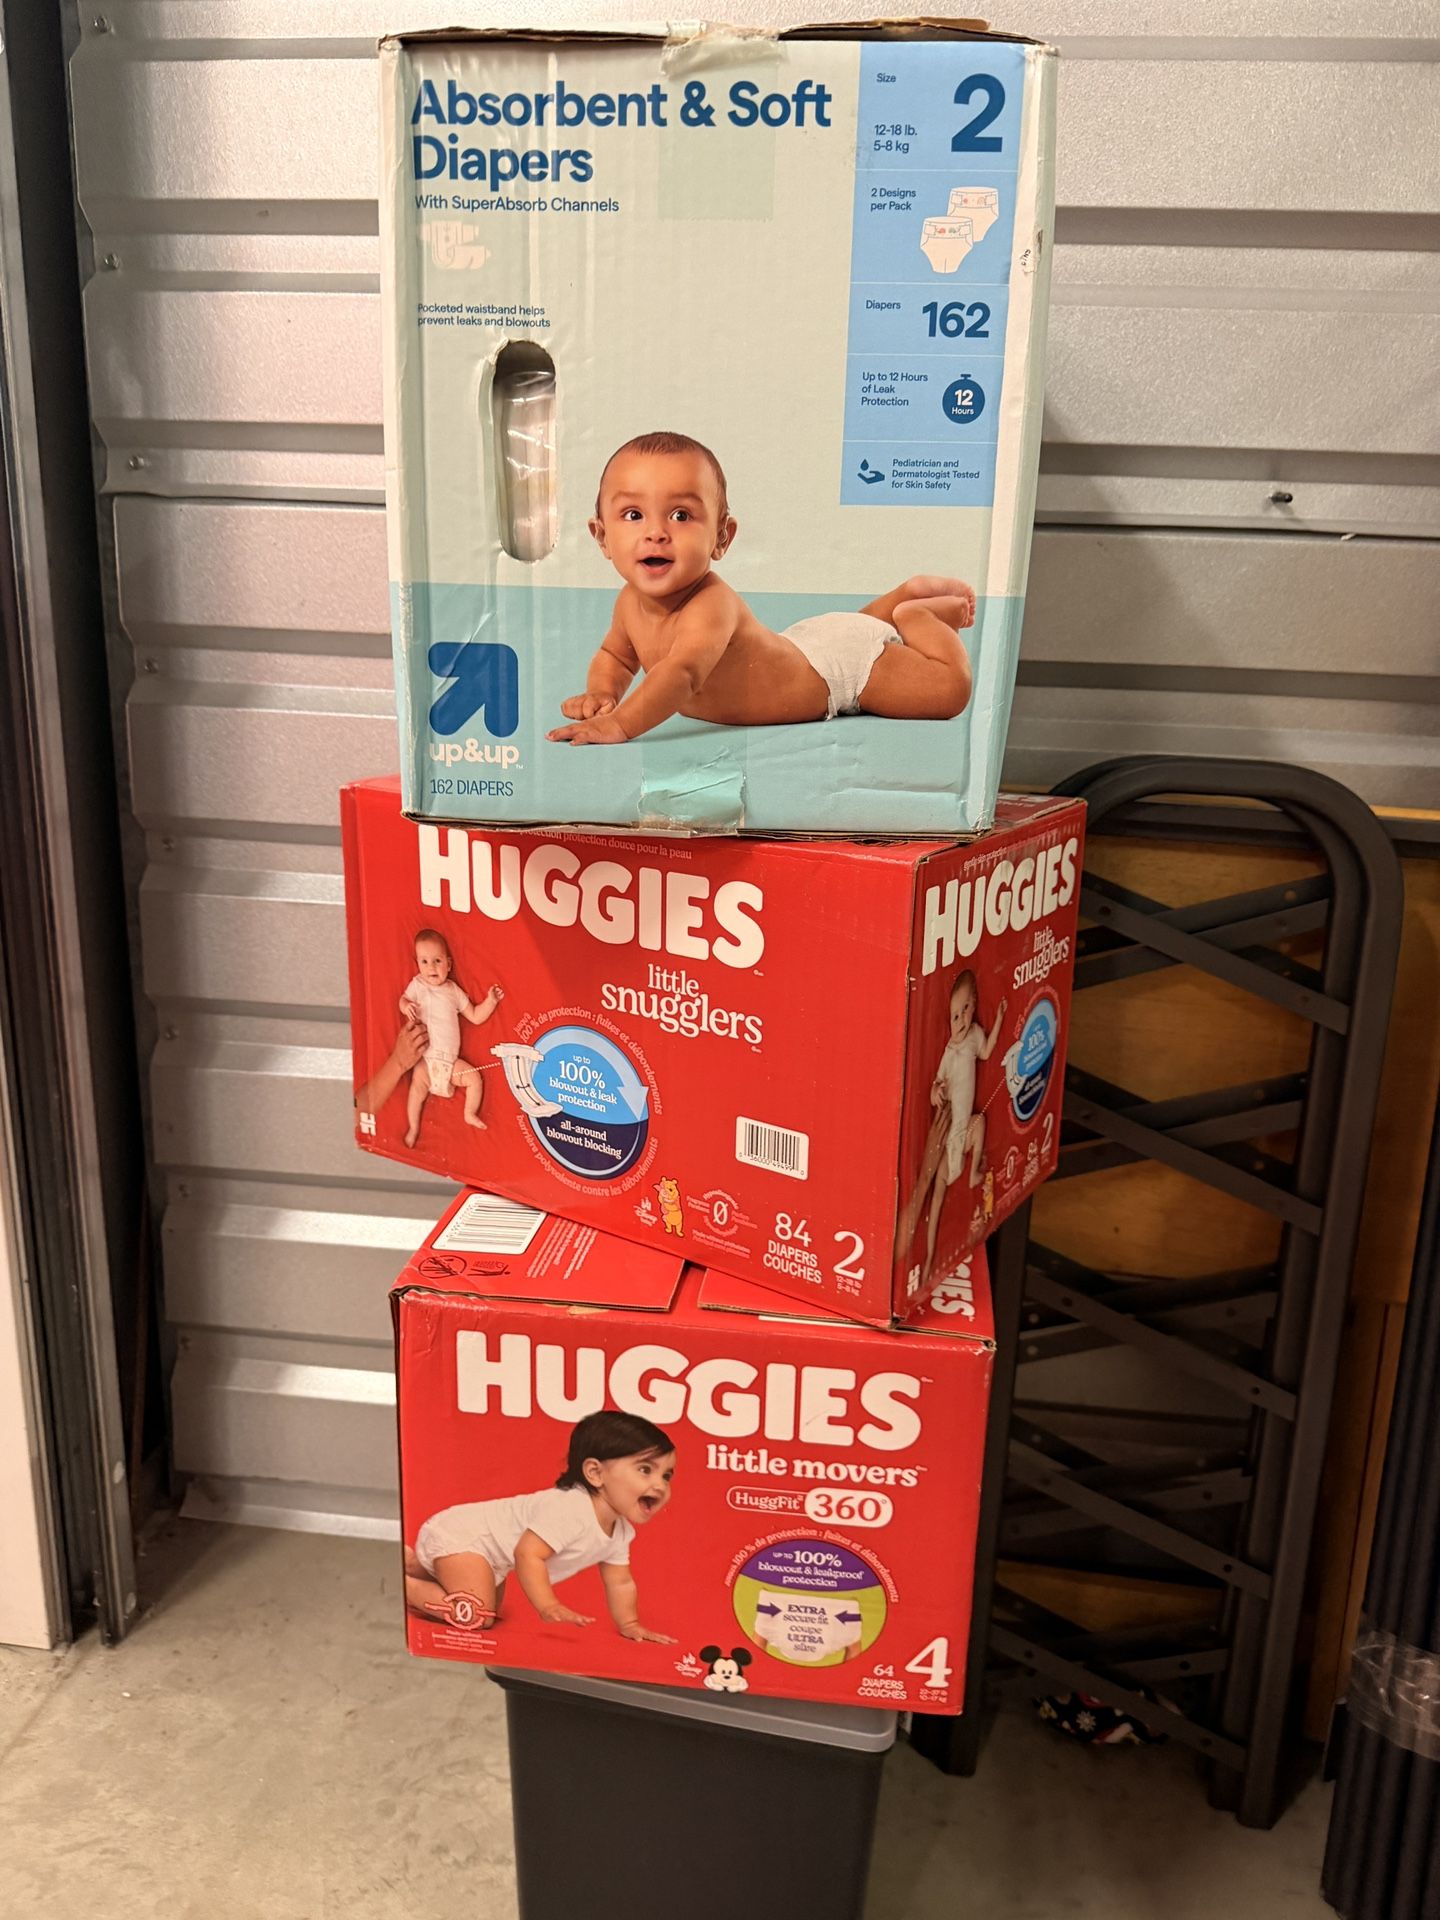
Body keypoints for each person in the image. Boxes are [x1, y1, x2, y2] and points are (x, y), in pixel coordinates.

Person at [547, 431, 975, 746]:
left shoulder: (710, 604)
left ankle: (919, 614)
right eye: (633, 515)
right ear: (602, 537)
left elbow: (682, 673)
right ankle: (904, 594)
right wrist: (603, 693)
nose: (656, 532)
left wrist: (621, 723)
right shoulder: (628, 603)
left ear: (721, 538)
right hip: (807, 645)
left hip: (839, 673)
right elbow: (616, 656)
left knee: (948, 691)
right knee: (855, 627)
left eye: (681, 515)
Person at [404, 1411, 676, 1643]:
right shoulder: (571, 1508)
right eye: (645, 1470)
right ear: (595, 1473)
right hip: (464, 1535)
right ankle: (404, 1586)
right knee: (478, 1616)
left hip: (490, 1557)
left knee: (488, 1609)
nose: (660, 1485)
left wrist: (629, 1624)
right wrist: (548, 1605)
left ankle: (416, 1565)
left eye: (666, 1475)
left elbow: (621, 1581)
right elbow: (528, 1554)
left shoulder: (621, 1531)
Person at [897, 970, 1007, 1286]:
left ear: (975, 1005)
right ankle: (929, 1261)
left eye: (966, 1009)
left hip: (964, 1132)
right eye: (955, 1015)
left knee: (980, 1122)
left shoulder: (974, 1037)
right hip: (948, 1143)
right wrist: (937, 1091)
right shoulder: (949, 1050)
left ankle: (972, 1173)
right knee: (936, 1202)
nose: (961, 1019)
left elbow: (987, 1051)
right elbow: (936, 1086)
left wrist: (999, 1019)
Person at [400, 928, 503, 1146]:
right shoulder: (418, 985)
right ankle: (413, 1127)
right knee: (416, 1091)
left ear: (448, 964)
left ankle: (469, 1113)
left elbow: (475, 1016)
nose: (431, 967)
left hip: (450, 1063)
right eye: (424, 961)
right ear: (417, 964)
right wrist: (406, 1005)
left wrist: (490, 1002)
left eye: (437, 961)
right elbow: (402, 1000)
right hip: (426, 1060)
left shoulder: (453, 991)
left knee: (474, 1078)